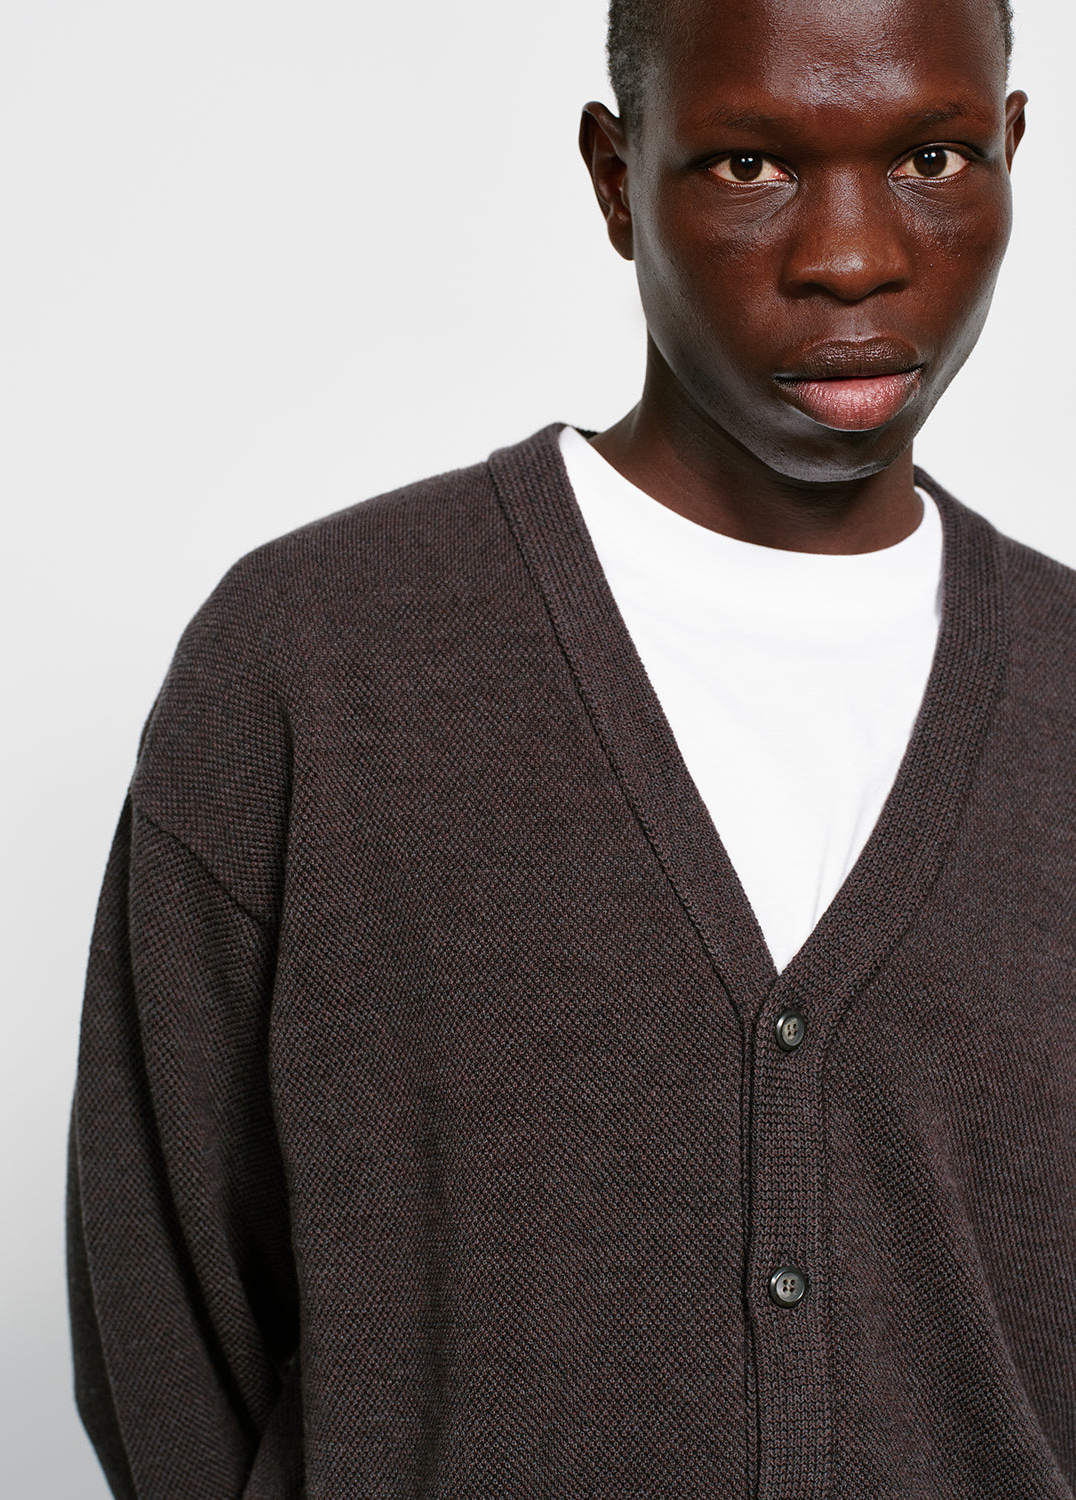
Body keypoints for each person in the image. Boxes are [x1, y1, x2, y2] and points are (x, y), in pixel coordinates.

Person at [66, 0, 1075, 1495]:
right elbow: (166, 1318)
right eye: (749, 167)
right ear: (616, 177)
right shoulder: (316, 666)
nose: (852, 256)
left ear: (1009, 149)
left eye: (930, 154)